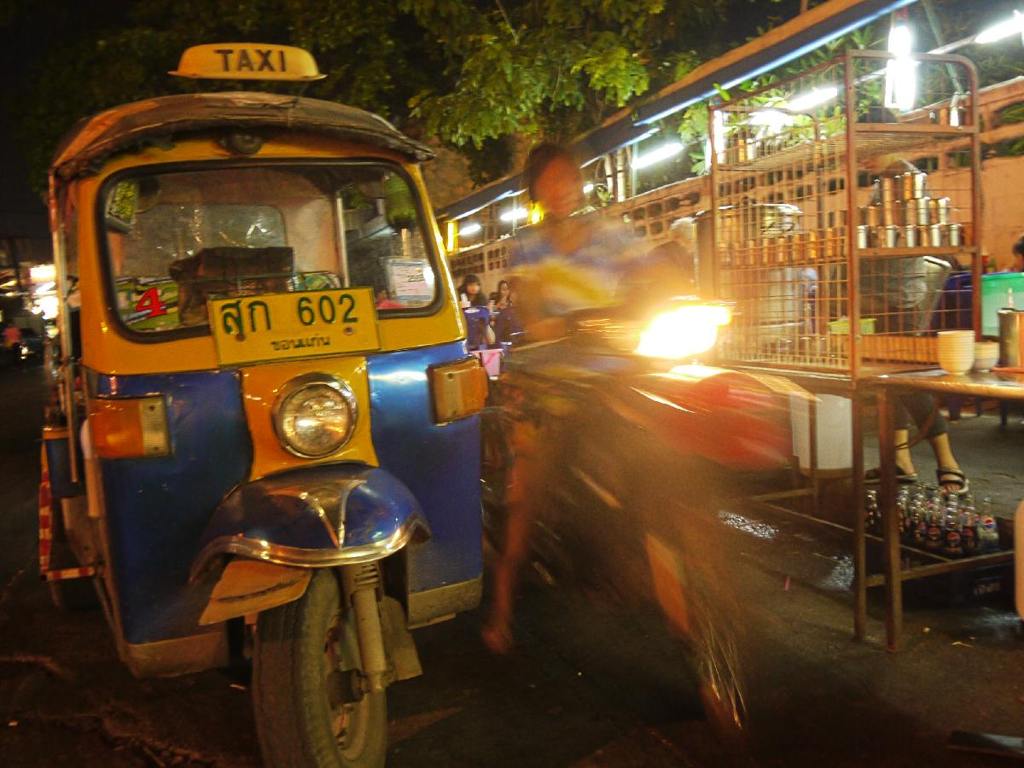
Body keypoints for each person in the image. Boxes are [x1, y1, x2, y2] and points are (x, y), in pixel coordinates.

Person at [481, 142, 644, 654]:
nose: (561, 189)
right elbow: (529, 307)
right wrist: (550, 322)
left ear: (579, 181)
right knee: (528, 493)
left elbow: (649, 271)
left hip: (614, 372)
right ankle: (502, 607)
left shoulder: (612, 232)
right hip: (552, 378)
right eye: (549, 182)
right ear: (537, 191)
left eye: (567, 178)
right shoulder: (529, 245)